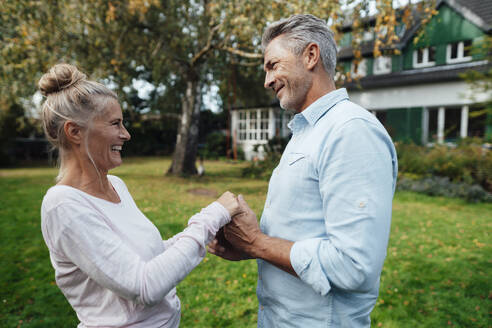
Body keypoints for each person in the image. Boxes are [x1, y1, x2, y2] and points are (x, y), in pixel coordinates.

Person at [208, 14, 398, 327]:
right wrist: (250, 246)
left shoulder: (350, 131)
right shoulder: (309, 130)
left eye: (273, 65)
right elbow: (303, 230)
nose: (266, 81)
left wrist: (257, 242)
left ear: (310, 56)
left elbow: (354, 267)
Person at [39, 63, 240, 328]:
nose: (126, 134)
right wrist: (213, 216)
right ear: (74, 132)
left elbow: (149, 255)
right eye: (115, 124)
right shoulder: (62, 206)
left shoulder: (117, 185)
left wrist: (206, 234)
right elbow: (144, 286)